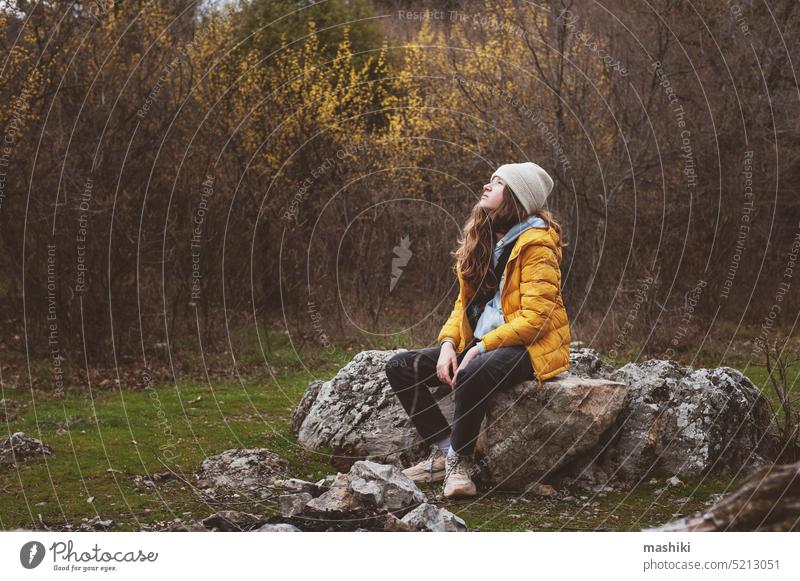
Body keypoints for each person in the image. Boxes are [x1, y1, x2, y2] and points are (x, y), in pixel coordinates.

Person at [384, 161, 571, 498]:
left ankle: (461, 464)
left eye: (497, 183)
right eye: (489, 180)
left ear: (516, 196)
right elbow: (463, 305)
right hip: (485, 340)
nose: (486, 187)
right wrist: (448, 344)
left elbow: (537, 317)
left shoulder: (537, 245)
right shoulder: (485, 238)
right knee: (399, 366)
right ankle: (444, 451)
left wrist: (479, 349)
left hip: (530, 345)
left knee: (473, 372)